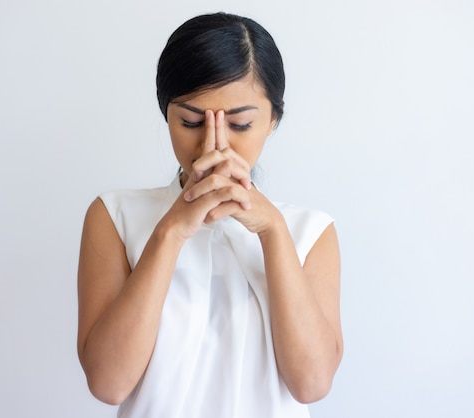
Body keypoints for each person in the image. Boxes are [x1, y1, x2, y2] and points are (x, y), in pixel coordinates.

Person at [77, 12, 343, 418]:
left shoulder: (311, 231)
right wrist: (171, 231)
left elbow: (311, 383)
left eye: (239, 124)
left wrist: (272, 230)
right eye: (191, 121)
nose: (213, 145)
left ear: (272, 120)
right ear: (166, 114)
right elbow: (109, 384)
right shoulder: (114, 216)